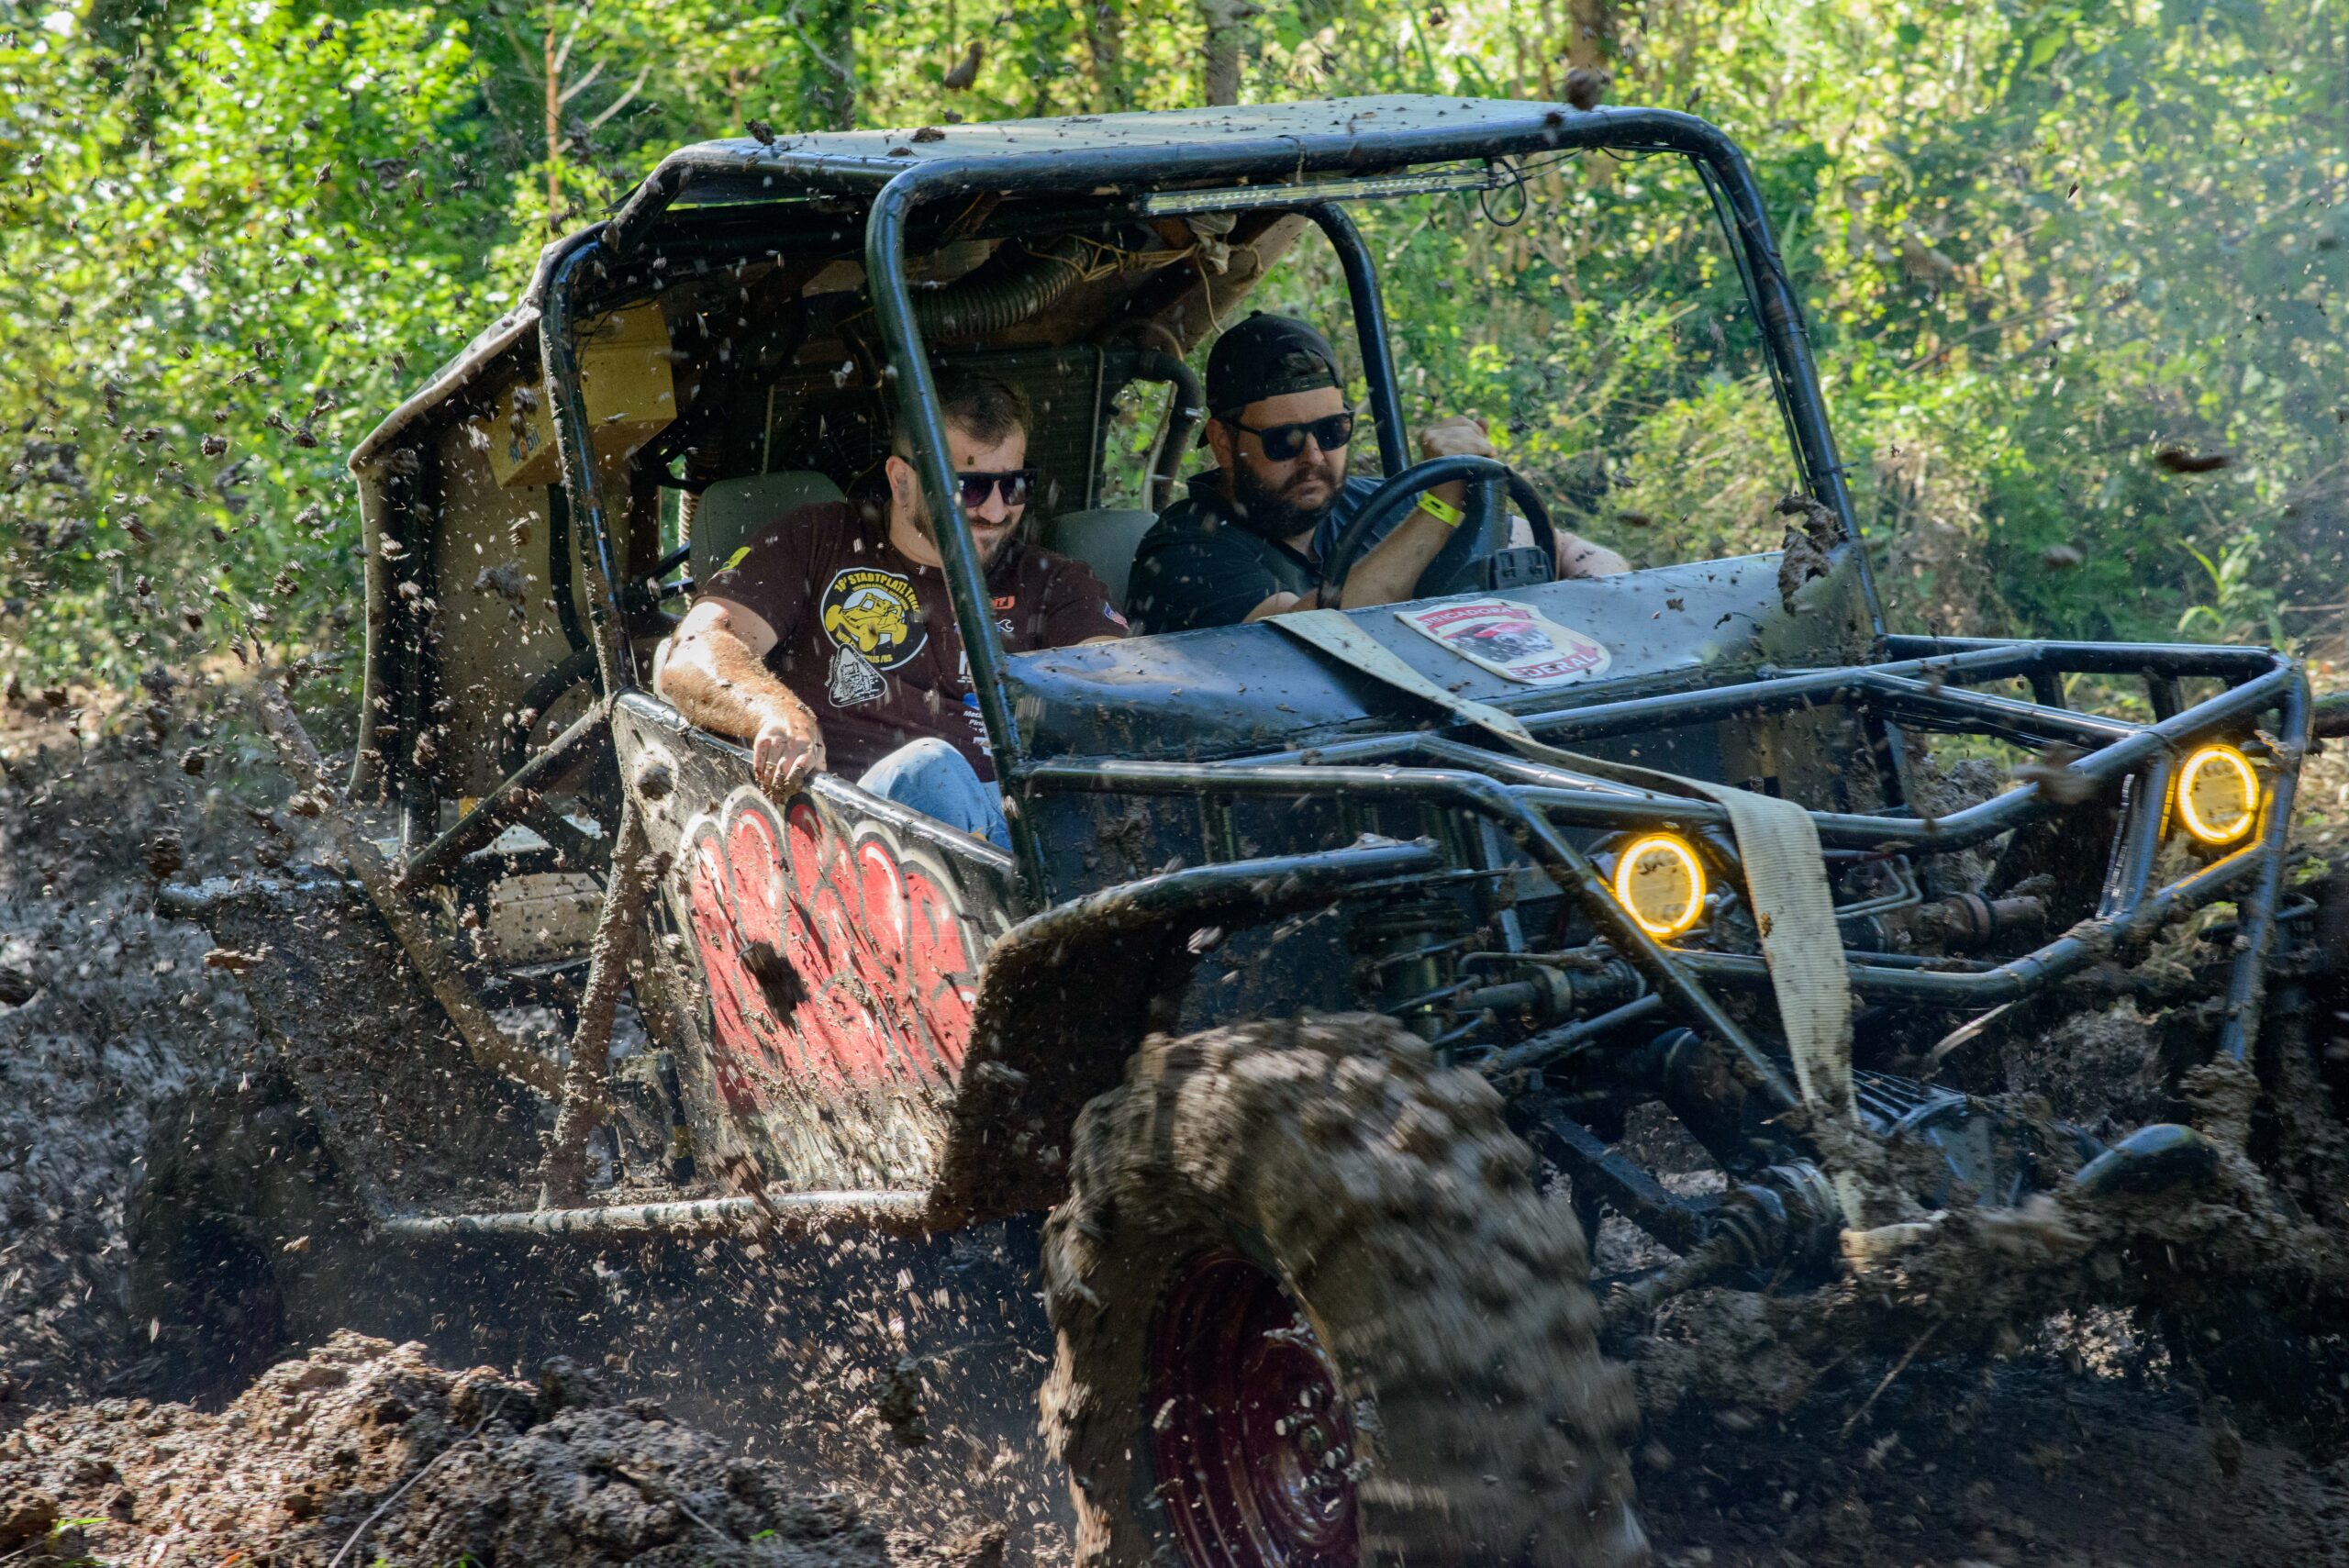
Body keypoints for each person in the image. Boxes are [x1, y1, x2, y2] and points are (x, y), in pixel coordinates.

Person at [655, 371, 1127, 850]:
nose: (997, 511)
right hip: (856, 834)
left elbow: (1121, 694)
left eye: (1014, 486)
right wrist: (777, 714)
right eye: (971, 488)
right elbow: (694, 654)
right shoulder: (819, 540)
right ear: (902, 482)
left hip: (1028, 824)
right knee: (928, 769)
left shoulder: (1053, 581)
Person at [1126, 313, 1628, 634]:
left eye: (1332, 430)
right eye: (1284, 440)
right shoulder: (1183, 554)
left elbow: (1564, 551)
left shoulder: (1385, 505)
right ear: (1221, 441)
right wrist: (1444, 498)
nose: (1315, 457)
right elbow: (1314, 635)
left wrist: (1600, 607)